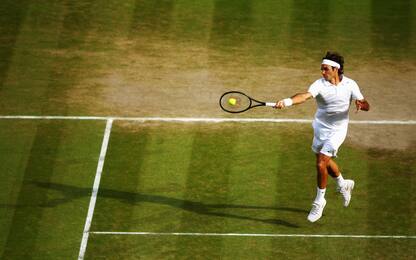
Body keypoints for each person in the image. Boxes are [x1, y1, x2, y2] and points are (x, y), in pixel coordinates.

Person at [275, 51, 370, 222]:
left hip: (338, 130)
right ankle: (343, 183)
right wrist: (287, 101)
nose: (322, 72)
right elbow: (304, 96)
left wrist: (361, 104)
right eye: (322, 69)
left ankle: (319, 201)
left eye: (325, 69)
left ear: (335, 69)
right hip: (320, 128)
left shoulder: (350, 85)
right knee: (323, 161)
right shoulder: (319, 84)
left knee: (321, 163)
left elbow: (366, 105)